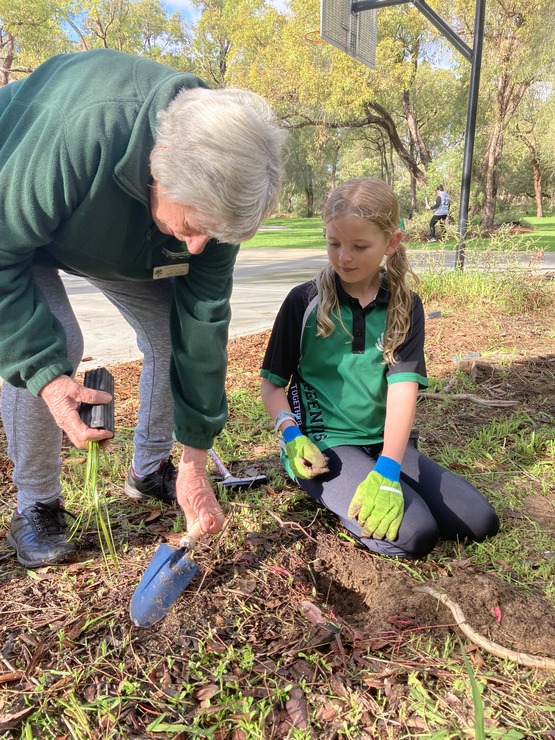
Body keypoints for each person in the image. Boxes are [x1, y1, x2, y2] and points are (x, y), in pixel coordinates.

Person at [0, 48, 286, 569]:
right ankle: (36, 504)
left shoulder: (219, 181)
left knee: (171, 336)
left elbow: (202, 323)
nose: (198, 247)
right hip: (14, 218)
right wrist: (44, 376)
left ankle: (152, 469)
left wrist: (195, 458)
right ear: (161, 169)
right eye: (194, 226)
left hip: (111, 237)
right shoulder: (81, 130)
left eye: (212, 234)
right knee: (57, 343)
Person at [260, 178, 499, 559]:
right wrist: (290, 435)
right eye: (333, 243)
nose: (344, 258)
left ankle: (374, 476)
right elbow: (272, 385)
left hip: (383, 442)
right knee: (416, 535)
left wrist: (388, 465)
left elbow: (402, 389)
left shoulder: (404, 305)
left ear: (391, 243)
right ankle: (331, 492)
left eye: (359, 246)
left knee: (480, 521)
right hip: (325, 444)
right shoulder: (303, 301)